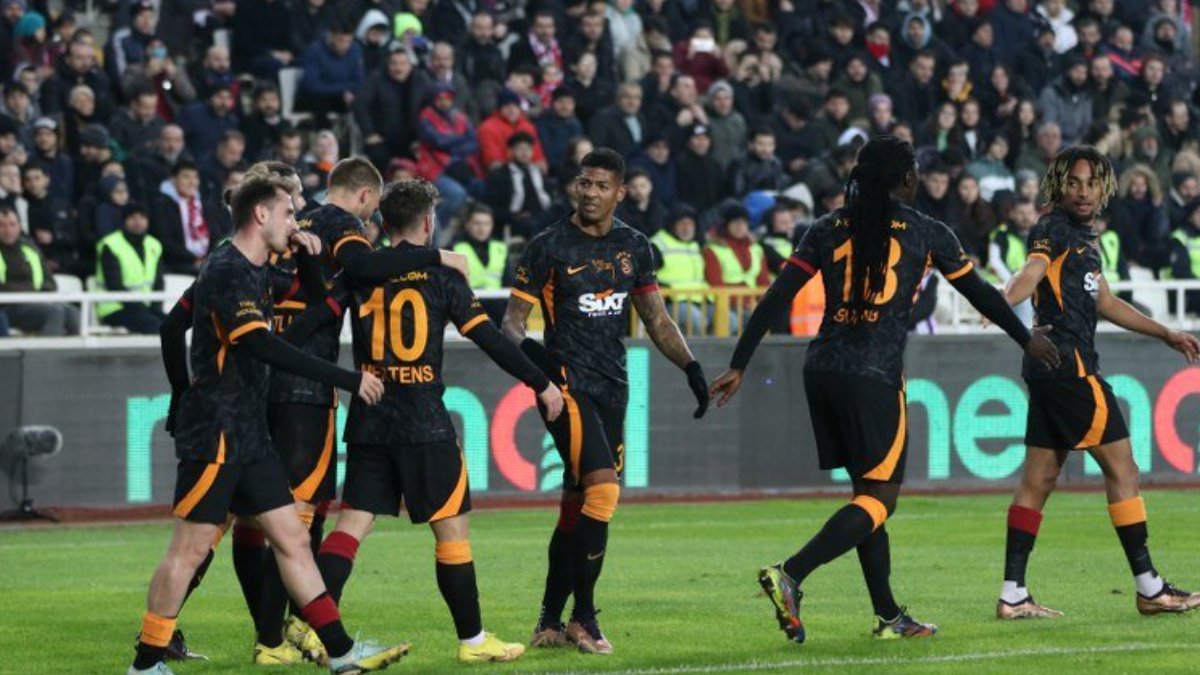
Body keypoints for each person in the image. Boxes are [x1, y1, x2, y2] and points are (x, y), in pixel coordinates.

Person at [707, 136, 1058, 644]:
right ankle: (790, 574)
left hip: (822, 367)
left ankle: (890, 616)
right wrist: (1026, 338)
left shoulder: (825, 227)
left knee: (867, 497)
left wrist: (739, 363)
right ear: (908, 179)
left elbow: (775, 297)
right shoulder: (926, 231)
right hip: (874, 373)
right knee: (882, 500)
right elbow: (980, 292)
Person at [127, 175, 408, 675]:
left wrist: (307, 257)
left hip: (249, 434)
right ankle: (146, 663)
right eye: (288, 213)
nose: (297, 221)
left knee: (292, 539)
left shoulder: (257, 268)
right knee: (190, 549)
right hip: (218, 432)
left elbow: (318, 302)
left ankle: (341, 652)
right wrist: (347, 378)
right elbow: (262, 345)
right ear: (260, 215)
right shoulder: (229, 270)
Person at [317, 179, 560, 665]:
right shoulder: (441, 276)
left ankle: (310, 629)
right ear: (428, 222)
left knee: (350, 527)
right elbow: (490, 339)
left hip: (369, 419)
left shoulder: (363, 272)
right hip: (423, 423)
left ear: (383, 222)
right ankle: (473, 642)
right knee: (451, 533)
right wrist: (540, 382)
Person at [501, 148, 710, 654]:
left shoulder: (634, 246)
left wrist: (691, 367)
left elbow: (656, 318)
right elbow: (511, 326)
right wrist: (542, 366)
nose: (590, 193)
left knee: (578, 503)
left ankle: (550, 621)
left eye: (601, 186)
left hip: (613, 388)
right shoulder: (548, 246)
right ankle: (585, 618)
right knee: (603, 492)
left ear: (621, 192)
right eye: (584, 183)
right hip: (565, 388)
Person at [995, 146, 1200, 620]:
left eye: (1091, 183)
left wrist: (1166, 333)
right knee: (1124, 471)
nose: (1083, 192)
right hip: (1072, 370)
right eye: (1074, 183)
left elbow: (1105, 302)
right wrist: (1002, 301)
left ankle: (1012, 594)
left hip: (1048, 371)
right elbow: (1031, 271)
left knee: (1038, 480)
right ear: (1059, 186)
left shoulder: (1085, 240)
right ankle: (1150, 588)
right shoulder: (1053, 229)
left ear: (1104, 187)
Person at [0, 203, 79, 335]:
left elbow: (50, 282)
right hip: (7, 306)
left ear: (19, 226)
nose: (8, 230)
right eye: (2, 225)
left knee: (72, 312)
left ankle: (74, 349)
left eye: (12, 224)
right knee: (54, 312)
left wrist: (40, 295)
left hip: (36, 301)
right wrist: (28, 292)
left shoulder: (30, 248)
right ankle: (45, 349)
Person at [96, 202, 165, 334]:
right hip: (114, 308)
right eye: (132, 217)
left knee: (175, 325)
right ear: (124, 221)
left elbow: (159, 282)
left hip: (145, 308)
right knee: (156, 326)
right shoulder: (110, 245)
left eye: (142, 217)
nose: (138, 222)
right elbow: (114, 285)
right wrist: (144, 310)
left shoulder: (154, 245)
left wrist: (155, 308)